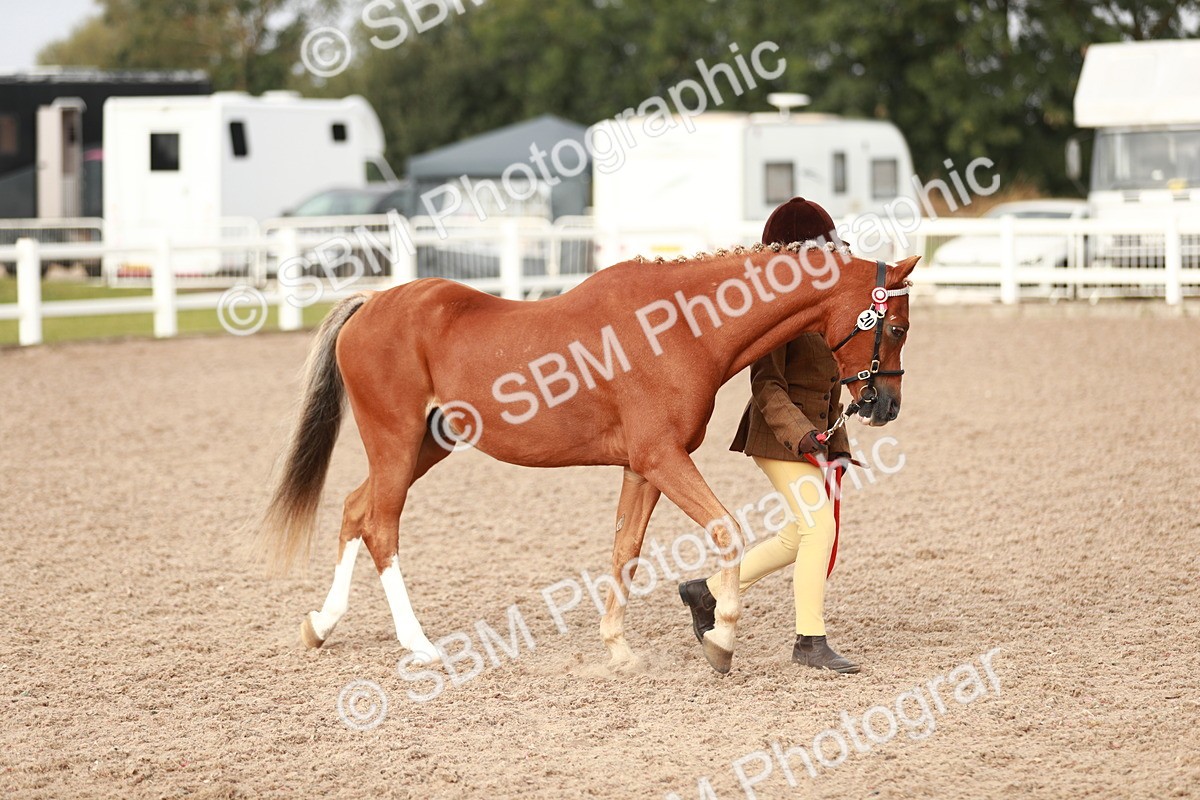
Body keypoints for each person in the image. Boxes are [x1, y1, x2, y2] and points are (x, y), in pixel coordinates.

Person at [678, 197, 860, 674]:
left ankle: (709, 591)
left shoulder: (824, 305)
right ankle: (809, 641)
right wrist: (802, 436)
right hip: (779, 437)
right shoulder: (774, 316)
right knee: (819, 527)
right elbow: (767, 387)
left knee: (796, 535)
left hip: (816, 435)